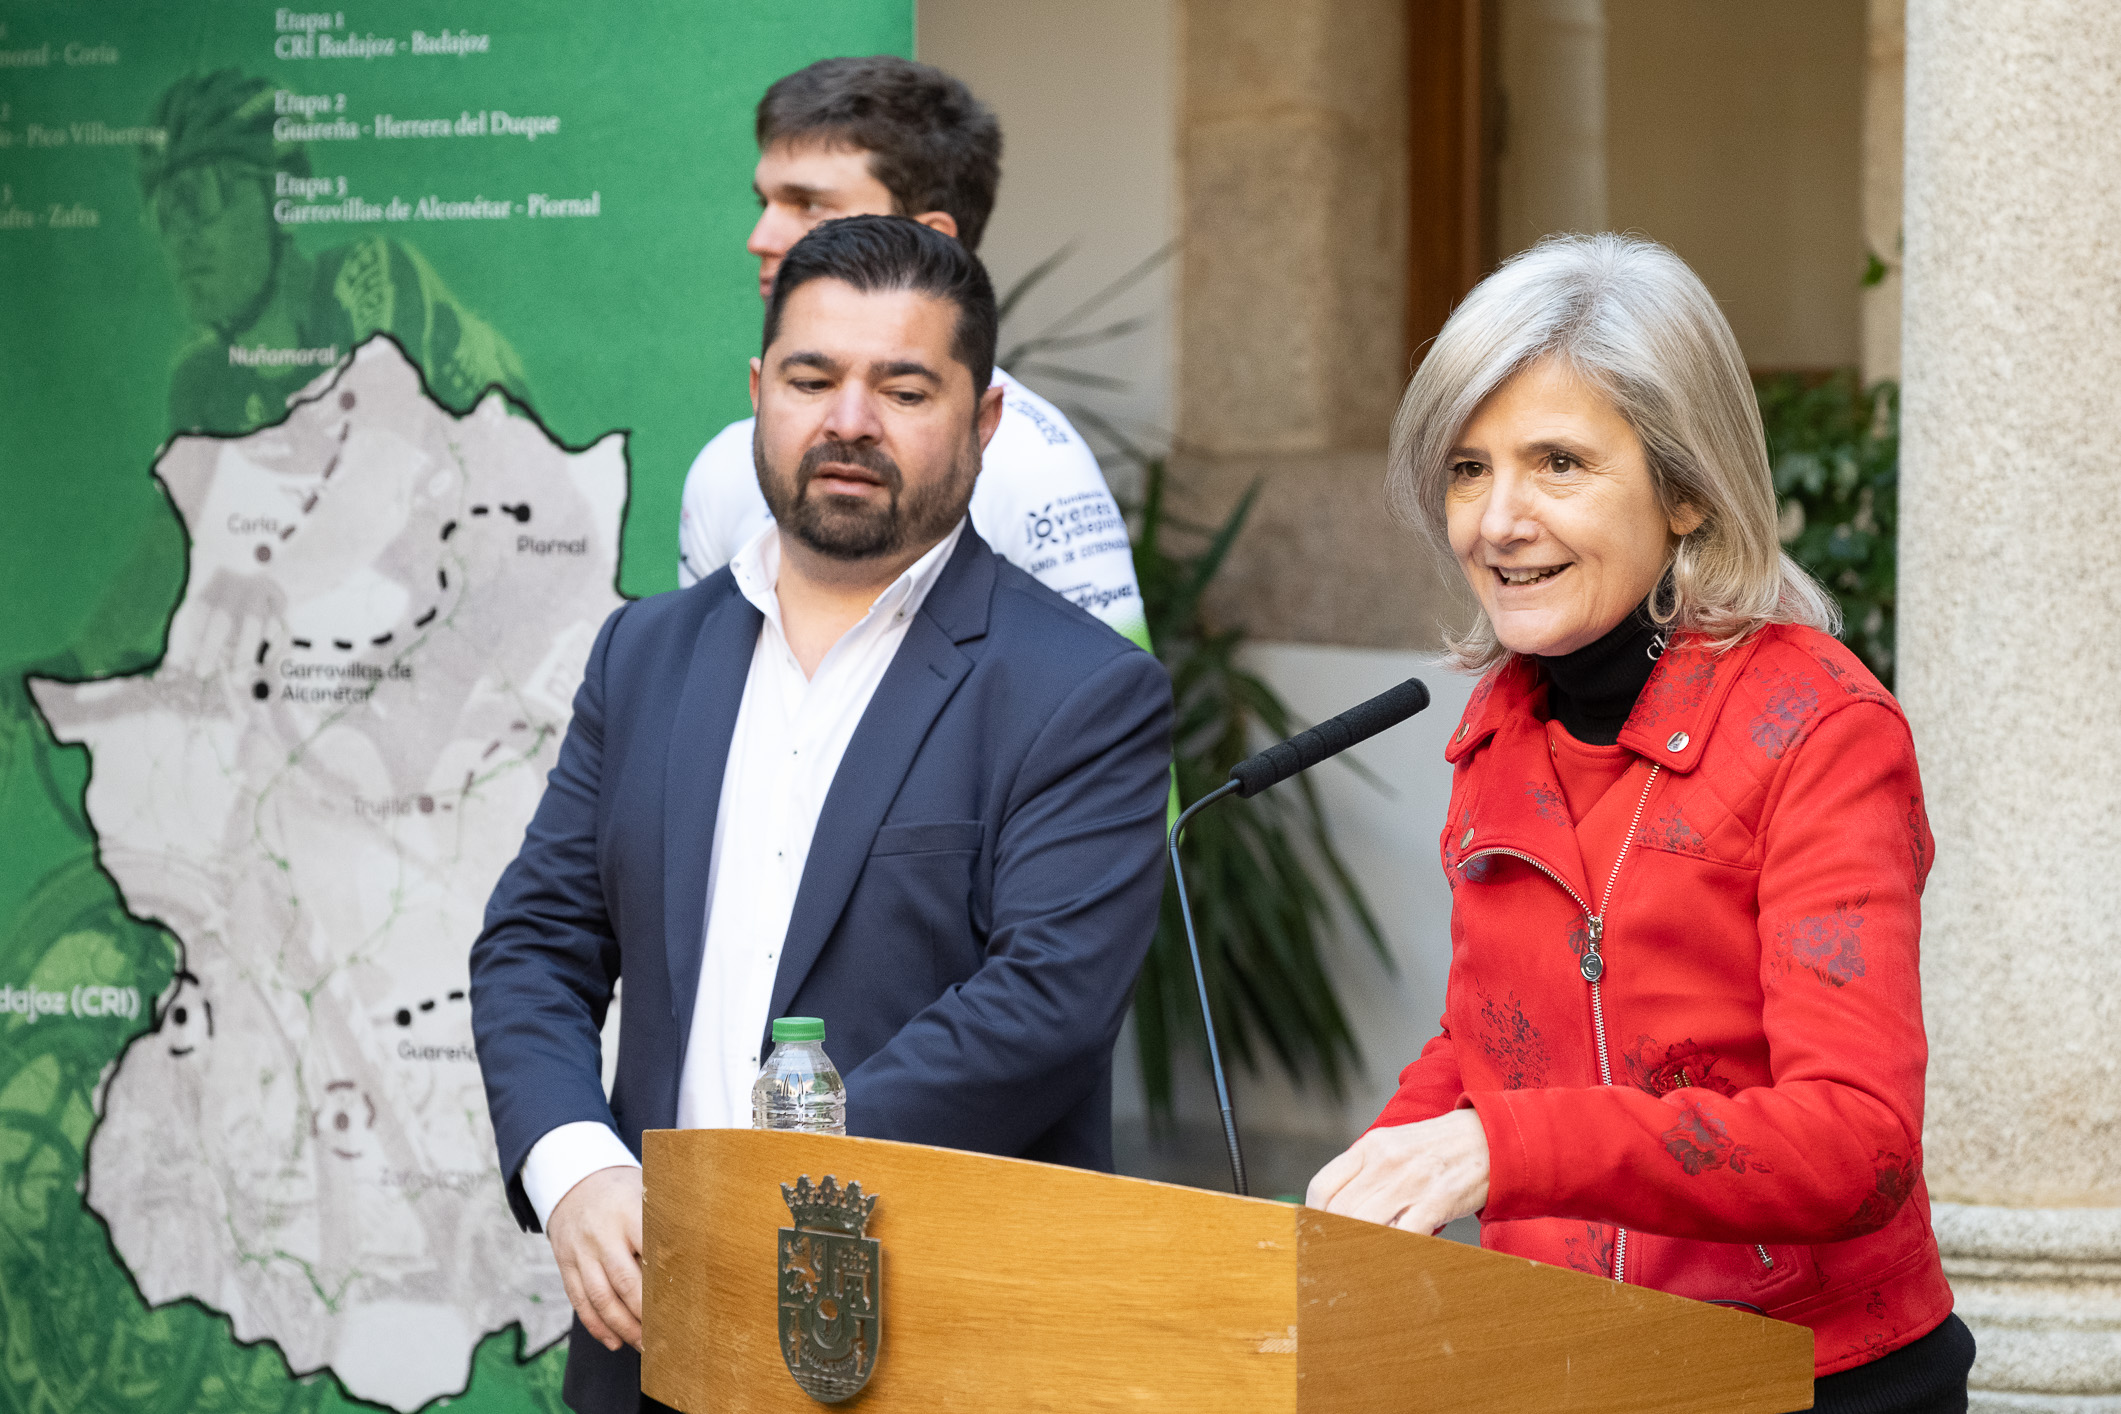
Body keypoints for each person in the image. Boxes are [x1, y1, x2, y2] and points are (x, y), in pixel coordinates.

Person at [470, 215, 1172, 1414]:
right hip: (655, 1344)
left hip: (936, 1350)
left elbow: (1045, 1005)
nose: (850, 420)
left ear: (984, 421)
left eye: (904, 387)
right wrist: (577, 1164)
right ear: (758, 394)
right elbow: (537, 943)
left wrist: (749, 1195)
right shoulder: (645, 654)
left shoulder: (1080, 693)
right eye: (811, 378)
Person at [1307, 234, 1972, 1413]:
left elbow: (1857, 1140)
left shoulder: (1820, 728)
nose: (1497, 520)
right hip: (1566, 1361)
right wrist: (1365, 1186)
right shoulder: (1502, 722)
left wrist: (1501, 1149)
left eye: (1557, 463)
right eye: (1467, 469)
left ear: (1688, 489)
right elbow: (1494, 1037)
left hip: (1810, 1378)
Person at [678, 56, 1150, 653]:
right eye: (765, 203)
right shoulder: (721, 469)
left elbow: (1113, 718)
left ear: (933, 236)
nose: (762, 239)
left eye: (811, 206)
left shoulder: (1032, 466)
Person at [142, 69, 527, 434]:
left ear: (282, 199)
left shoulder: (370, 278)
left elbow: (380, 475)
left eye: (198, 196)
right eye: (165, 214)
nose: (181, 237)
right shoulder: (198, 379)